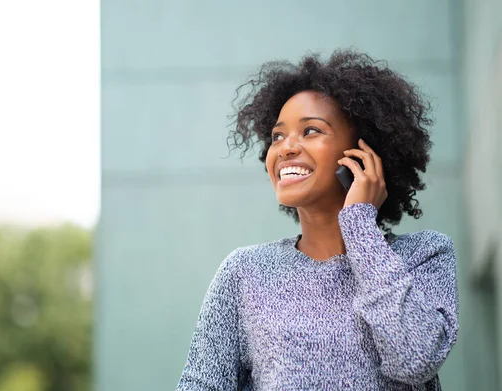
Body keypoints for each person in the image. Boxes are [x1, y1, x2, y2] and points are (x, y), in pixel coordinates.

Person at [175, 49, 459, 390]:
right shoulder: (243, 272)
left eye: (310, 131)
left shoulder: (425, 255)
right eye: (278, 136)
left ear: (363, 154)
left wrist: (359, 225)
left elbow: (415, 360)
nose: (285, 148)